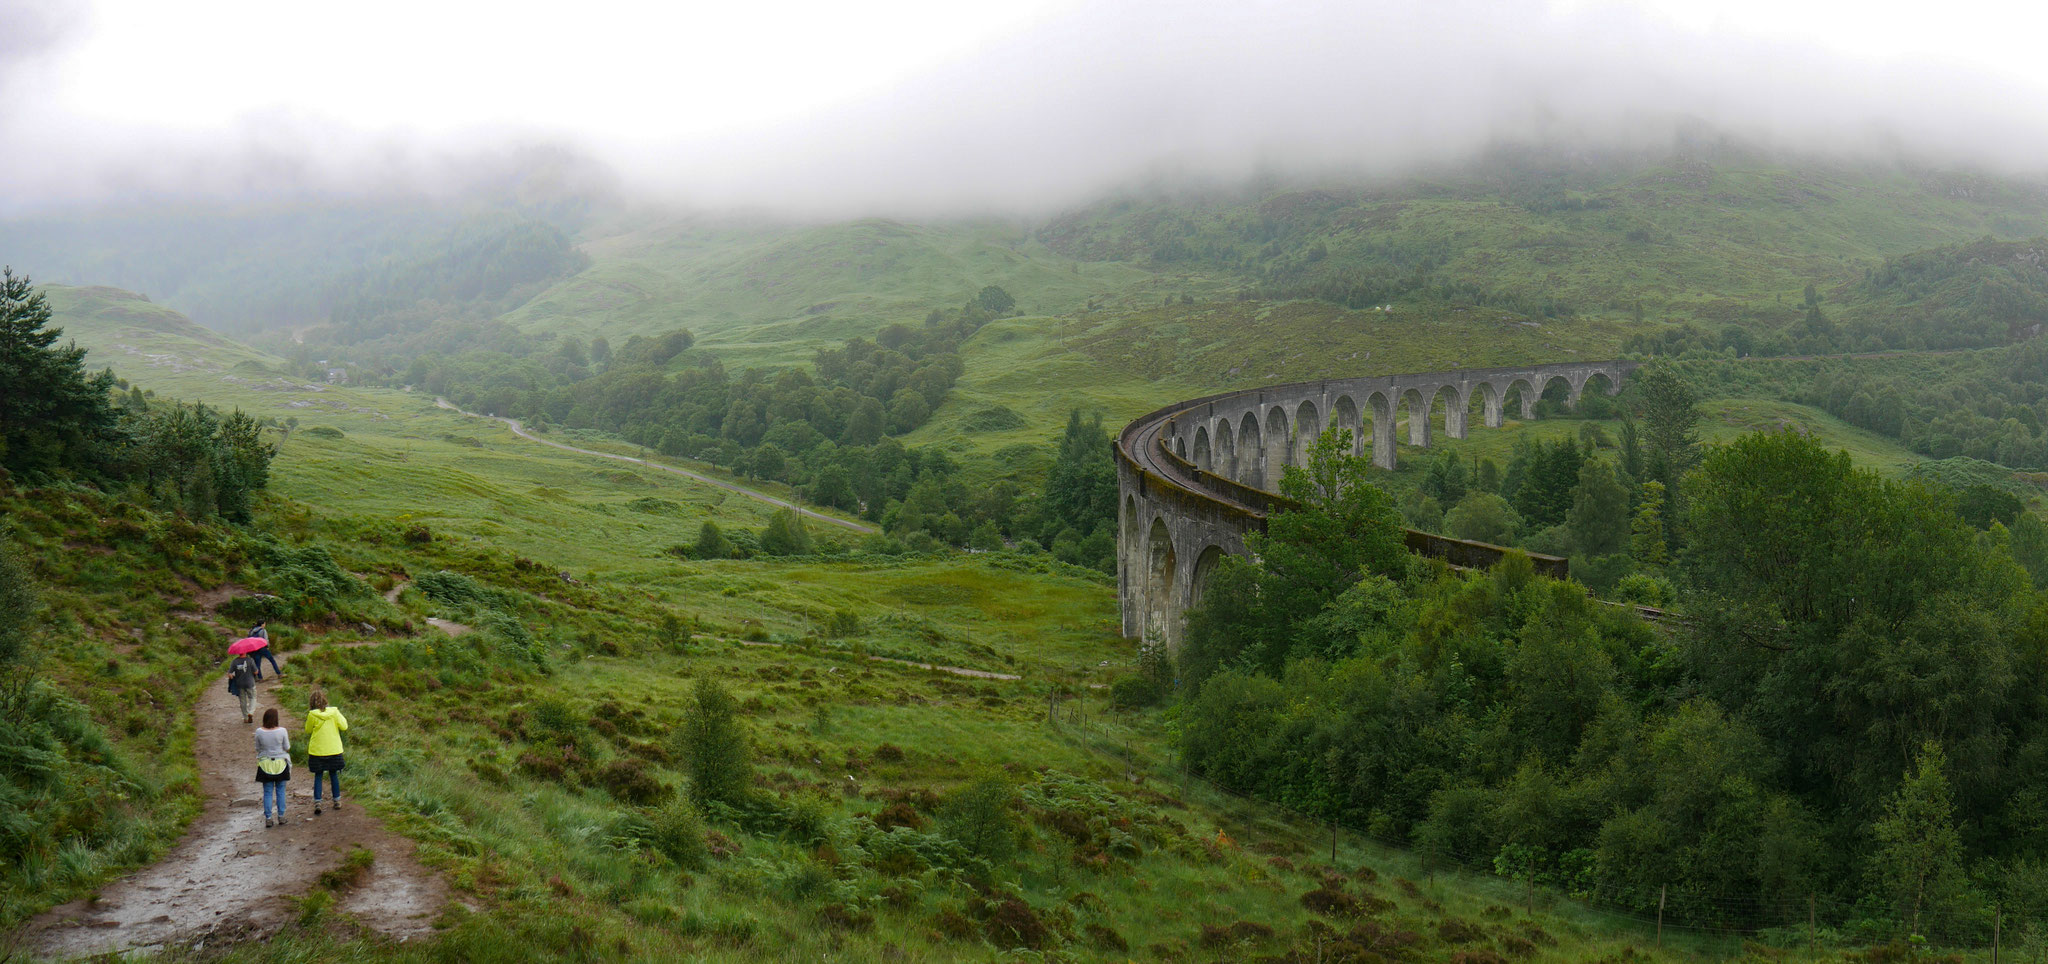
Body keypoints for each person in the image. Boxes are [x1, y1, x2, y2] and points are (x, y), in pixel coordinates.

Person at [305, 689, 348, 815]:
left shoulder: (312, 715)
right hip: (333, 749)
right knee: (333, 774)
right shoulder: (334, 712)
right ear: (325, 700)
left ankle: (318, 802)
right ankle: (337, 800)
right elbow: (344, 726)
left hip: (317, 750)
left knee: (318, 775)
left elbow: (308, 730)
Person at [255, 708, 291, 827]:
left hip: (265, 764)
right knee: (281, 791)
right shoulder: (282, 731)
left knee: (268, 792)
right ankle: (281, 816)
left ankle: (268, 818)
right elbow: (287, 747)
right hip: (281, 763)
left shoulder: (259, 732)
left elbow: (258, 748)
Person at [227, 652, 256, 724]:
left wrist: (232, 677)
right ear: (245, 652)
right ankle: (251, 712)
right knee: (252, 698)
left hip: (239, 684)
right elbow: (256, 672)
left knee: (243, 701)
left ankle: (246, 718)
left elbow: (229, 674)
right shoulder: (250, 660)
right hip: (250, 683)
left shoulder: (234, 661)